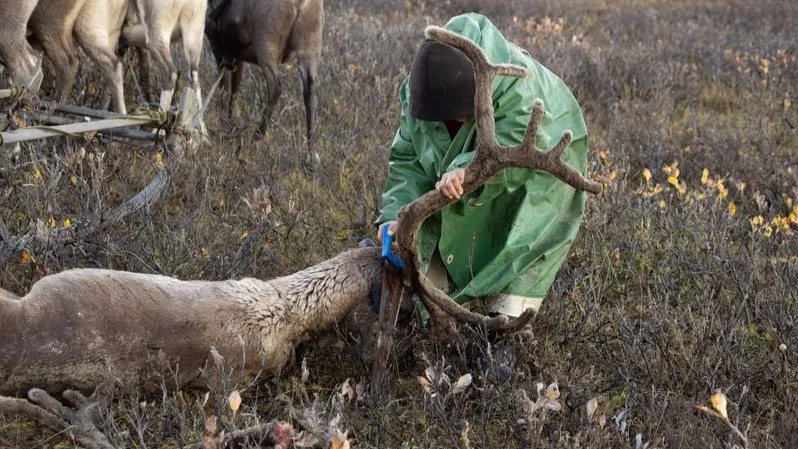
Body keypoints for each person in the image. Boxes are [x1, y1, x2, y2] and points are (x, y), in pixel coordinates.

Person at [375, 13, 589, 319]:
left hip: (540, 171)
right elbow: (408, 161)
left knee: (516, 254)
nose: (448, 125)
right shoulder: (420, 94)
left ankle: (510, 319)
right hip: (468, 166)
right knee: (425, 256)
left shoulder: (518, 92)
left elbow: (514, 142)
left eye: (456, 119)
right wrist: (392, 216)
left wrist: (464, 168)